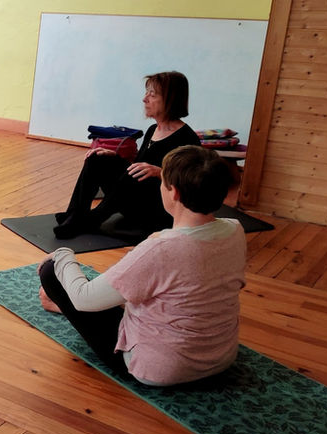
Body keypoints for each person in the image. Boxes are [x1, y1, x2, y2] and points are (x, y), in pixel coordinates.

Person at [38, 145, 245, 386]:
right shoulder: (235, 229)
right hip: (221, 358)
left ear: (174, 192)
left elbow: (84, 299)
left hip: (160, 369)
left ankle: (63, 304)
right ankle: (64, 306)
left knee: (52, 271)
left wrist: (63, 254)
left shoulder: (159, 249)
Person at [53, 71, 201, 239]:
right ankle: (75, 215)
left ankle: (91, 220)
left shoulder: (187, 138)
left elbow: (193, 183)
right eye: (146, 93)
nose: (145, 99)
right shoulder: (153, 130)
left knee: (136, 173)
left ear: (170, 99)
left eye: (152, 95)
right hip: (133, 200)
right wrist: (113, 158)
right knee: (98, 159)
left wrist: (160, 172)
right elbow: (136, 165)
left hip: (158, 211)